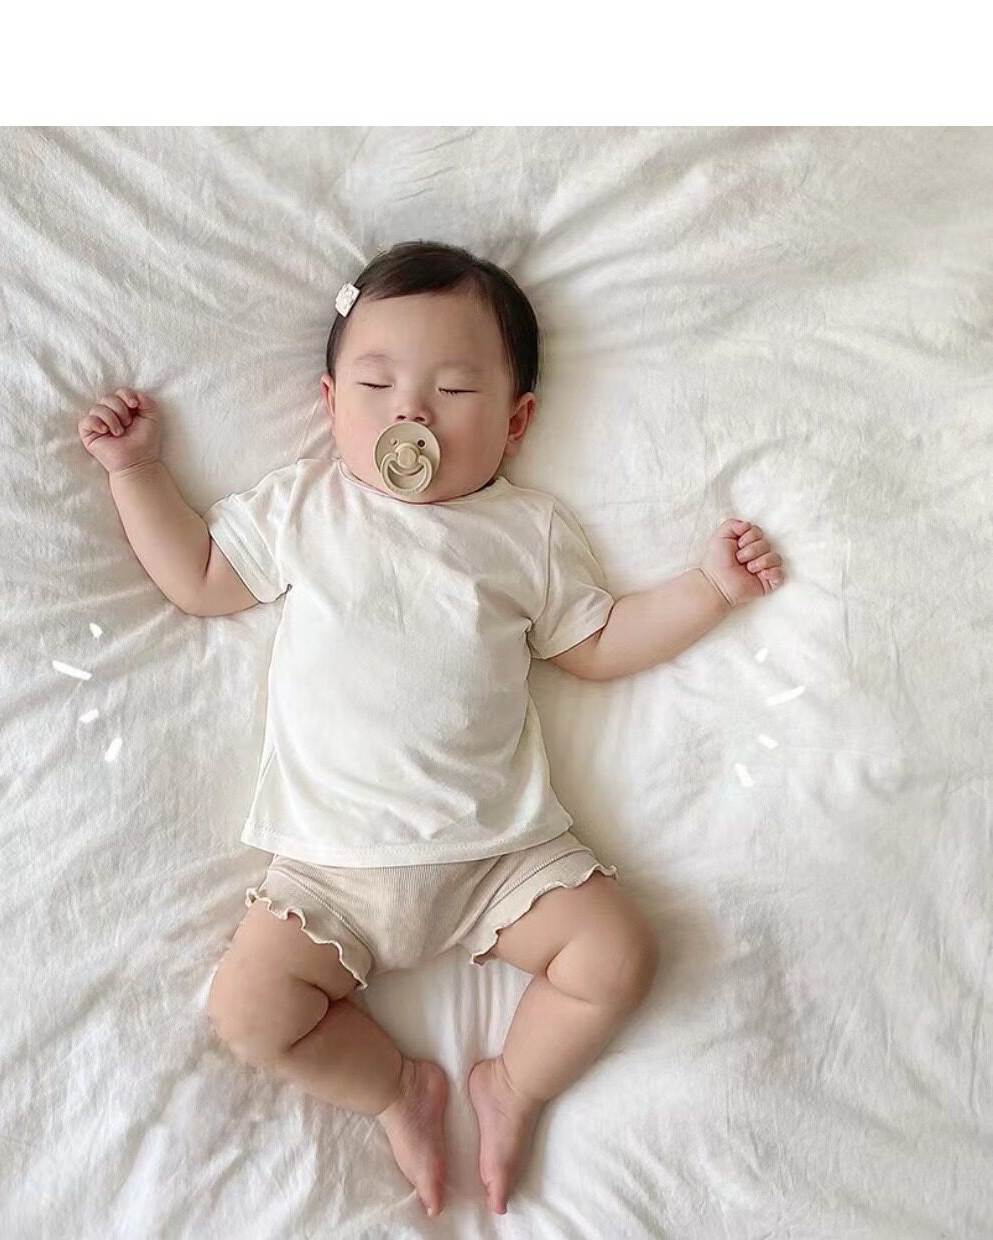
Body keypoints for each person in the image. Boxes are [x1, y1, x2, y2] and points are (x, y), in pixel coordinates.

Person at [76, 240, 785, 1217]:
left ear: (516, 421)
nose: (410, 413)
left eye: (453, 390)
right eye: (376, 385)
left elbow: (598, 641)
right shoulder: (305, 507)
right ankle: (393, 1090)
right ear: (332, 404)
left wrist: (708, 590)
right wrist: (137, 472)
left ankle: (513, 1084)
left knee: (620, 956)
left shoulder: (526, 532)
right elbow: (197, 578)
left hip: (501, 855)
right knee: (249, 1013)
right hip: (331, 869)